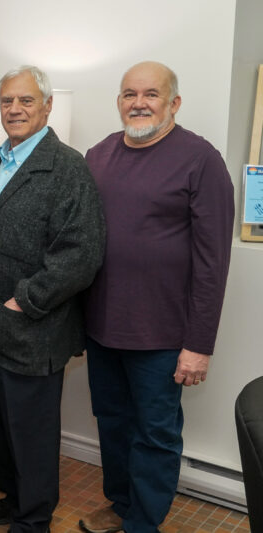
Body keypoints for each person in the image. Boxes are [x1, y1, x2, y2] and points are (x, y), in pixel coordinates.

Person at [79, 61, 234, 533]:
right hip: (103, 326)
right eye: (129, 94)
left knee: (156, 434)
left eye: (151, 94)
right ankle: (123, 502)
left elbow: (214, 262)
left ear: (174, 103)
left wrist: (199, 344)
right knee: (111, 421)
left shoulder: (200, 160)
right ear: (119, 101)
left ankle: (143, 524)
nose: (139, 103)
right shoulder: (98, 155)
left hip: (164, 334)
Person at [0, 65, 105, 533]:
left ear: (47, 106)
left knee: (32, 434)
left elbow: (81, 253)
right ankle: (16, 498)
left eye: (25, 101)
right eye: (7, 102)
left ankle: (34, 518)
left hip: (32, 328)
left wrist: (26, 301)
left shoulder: (67, 167)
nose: (15, 110)